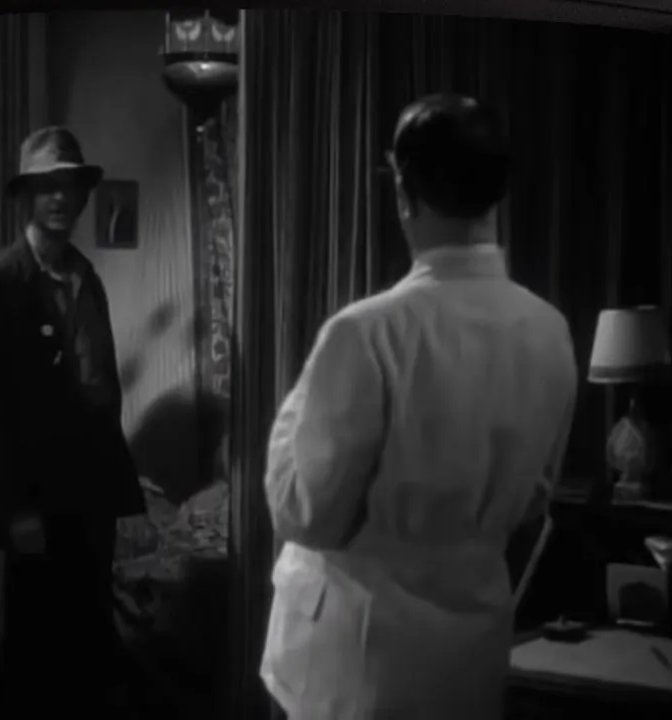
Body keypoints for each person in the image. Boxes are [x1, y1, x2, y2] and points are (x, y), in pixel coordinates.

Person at [259, 95, 578, 719]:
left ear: (404, 194)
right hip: (468, 657)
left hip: (353, 667)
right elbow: (536, 498)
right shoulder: (550, 329)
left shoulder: (367, 332)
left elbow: (305, 514)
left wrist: (291, 415)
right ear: (497, 193)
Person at [0, 126, 146, 716]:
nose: (59, 197)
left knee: (89, 647)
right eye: (46, 187)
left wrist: (116, 489)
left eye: (68, 185)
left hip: (91, 496)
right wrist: (16, 510)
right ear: (26, 197)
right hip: (34, 503)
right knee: (32, 651)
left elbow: (101, 386)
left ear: (83, 195)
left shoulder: (87, 278)